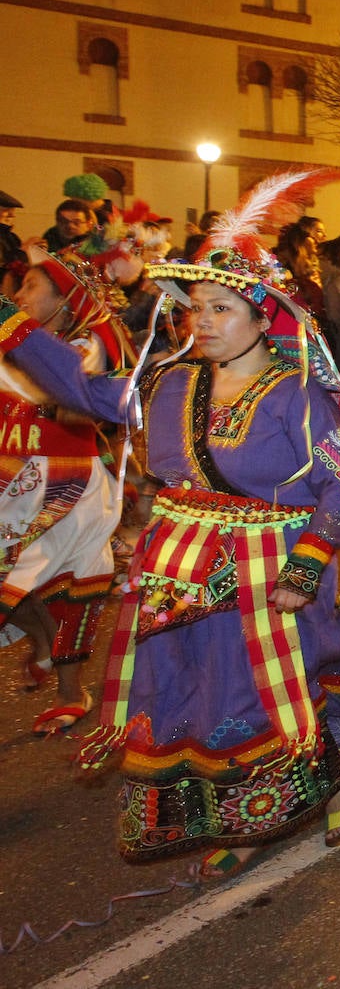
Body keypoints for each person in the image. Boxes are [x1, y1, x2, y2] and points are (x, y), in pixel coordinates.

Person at [0, 171, 340, 876]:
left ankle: (314, 790)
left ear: (262, 318)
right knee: (194, 693)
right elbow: (79, 387)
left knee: (266, 688)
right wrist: (9, 325)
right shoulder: (170, 382)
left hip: (270, 567)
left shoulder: (298, 396)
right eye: (196, 308)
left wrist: (307, 564)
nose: (206, 321)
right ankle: (234, 810)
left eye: (223, 308)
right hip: (177, 566)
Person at [6, 239, 135, 734]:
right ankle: (41, 645)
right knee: (16, 585)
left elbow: (74, 400)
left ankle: (69, 691)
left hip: (68, 486)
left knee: (69, 587)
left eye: (32, 286)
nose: (19, 295)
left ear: (66, 301)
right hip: (10, 481)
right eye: (16, 286)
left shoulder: (86, 349)